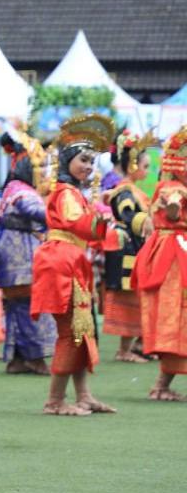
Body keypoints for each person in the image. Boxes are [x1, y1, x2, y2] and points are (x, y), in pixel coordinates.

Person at [31, 114, 117, 416]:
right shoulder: (67, 193)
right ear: (68, 159)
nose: (88, 167)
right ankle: (54, 401)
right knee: (71, 331)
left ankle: (83, 395)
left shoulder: (73, 193)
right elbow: (77, 224)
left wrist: (99, 214)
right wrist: (100, 220)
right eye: (83, 160)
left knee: (82, 329)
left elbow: (85, 228)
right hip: (62, 263)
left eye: (92, 162)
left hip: (70, 261)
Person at [133, 126, 187, 401]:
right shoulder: (174, 188)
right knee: (177, 317)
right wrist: (175, 209)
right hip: (174, 256)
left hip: (172, 251)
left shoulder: (169, 186)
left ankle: (162, 385)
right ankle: (161, 386)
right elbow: (174, 206)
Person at [0, 130, 55, 375]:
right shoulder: (20, 189)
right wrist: (63, 213)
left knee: (20, 305)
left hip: (16, 247)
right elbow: (36, 212)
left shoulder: (15, 186)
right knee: (29, 303)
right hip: (17, 250)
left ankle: (18, 359)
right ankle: (34, 357)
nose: (43, 172)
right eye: (40, 167)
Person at [103, 129, 157, 363]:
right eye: (144, 166)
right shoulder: (124, 190)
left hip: (133, 245)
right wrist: (148, 222)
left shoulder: (134, 190)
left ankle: (138, 344)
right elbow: (127, 214)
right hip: (125, 246)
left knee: (136, 294)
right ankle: (124, 349)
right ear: (132, 164)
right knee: (127, 295)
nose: (146, 171)